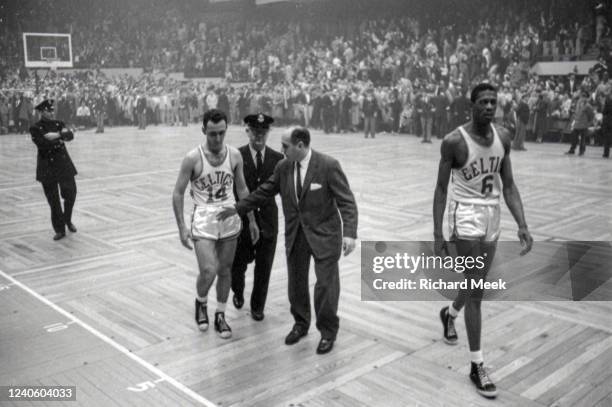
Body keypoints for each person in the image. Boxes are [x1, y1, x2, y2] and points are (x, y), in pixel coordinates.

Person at [218, 126, 358, 355]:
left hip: (325, 237)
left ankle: (327, 332)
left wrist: (350, 233)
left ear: (300, 145)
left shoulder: (328, 165)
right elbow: (263, 192)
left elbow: (347, 202)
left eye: (286, 146)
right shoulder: (283, 167)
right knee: (296, 285)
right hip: (296, 236)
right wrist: (237, 209)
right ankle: (300, 324)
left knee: (325, 287)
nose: (281, 150)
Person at [433, 83, 533, 398]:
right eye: (483, 102)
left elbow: (510, 185)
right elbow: (440, 189)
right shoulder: (453, 141)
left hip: (492, 215)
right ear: (472, 105)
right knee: (477, 289)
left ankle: (449, 314)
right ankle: (477, 365)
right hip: (464, 216)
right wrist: (438, 234)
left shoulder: (504, 137)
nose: (489, 106)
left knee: (476, 280)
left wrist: (522, 223)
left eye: (493, 101)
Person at [172, 109, 258, 339]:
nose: (218, 139)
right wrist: (181, 226)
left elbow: (242, 189)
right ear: (203, 131)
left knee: (225, 270)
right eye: (212, 134)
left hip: (229, 215)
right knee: (208, 270)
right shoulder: (193, 158)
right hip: (204, 218)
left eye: (221, 133)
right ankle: (201, 303)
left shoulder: (234, 156)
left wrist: (250, 219)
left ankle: (220, 314)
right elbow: (178, 193)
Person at [231, 113, 284, 321]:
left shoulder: (278, 159)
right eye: (255, 132)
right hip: (243, 219)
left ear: (268, 133)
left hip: (269, 219)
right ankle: (237, 289)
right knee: (238, 263)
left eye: (263, 133)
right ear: (247, 131)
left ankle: (257, 306)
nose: (259, 137)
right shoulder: (236, 155)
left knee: (264, 264)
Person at [29, 99, 78, 241]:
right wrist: (61, 137)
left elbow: (70, 136)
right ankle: (59, 229)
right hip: (47, 166)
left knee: (71, 194)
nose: (51, 113)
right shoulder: (35, 128)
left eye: (52, 110)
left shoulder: (58, 124)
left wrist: (56, 135)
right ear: (41, 112)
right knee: (53, 200)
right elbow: (43, 144)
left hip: (63, 164)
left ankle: (67, 220)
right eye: (48, 110)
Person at [565, 90, 595, 156]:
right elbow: (576, 113)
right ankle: (572, 150)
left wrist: (588, 123)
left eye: (584, 96)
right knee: (574, 137)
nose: (582, 98)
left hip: (584, 124)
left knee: (583, 139)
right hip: (577, 123)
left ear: (587, 98)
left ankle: (582, 151)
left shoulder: (588, 106)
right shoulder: (578, 104)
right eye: (582, 96)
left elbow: (591, 115)